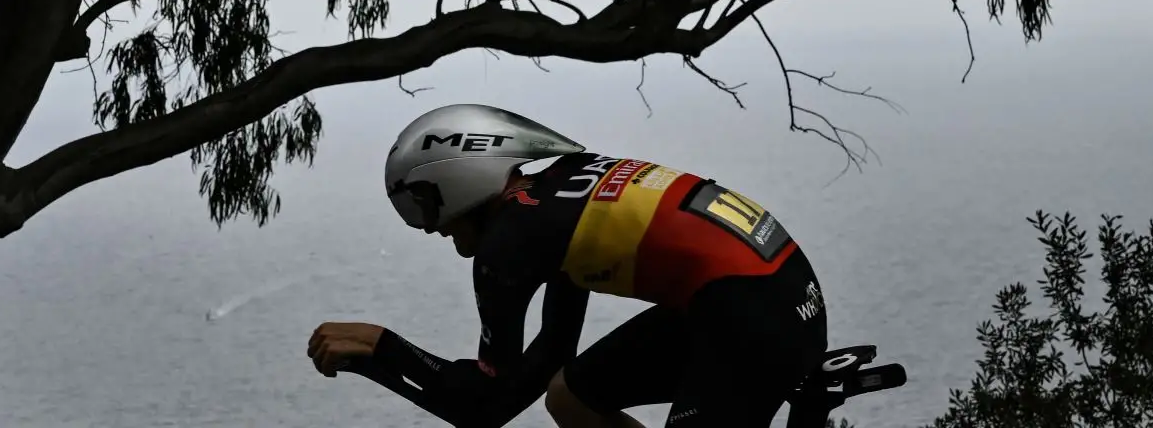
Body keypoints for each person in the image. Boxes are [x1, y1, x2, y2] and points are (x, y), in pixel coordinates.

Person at [306, 104, 829, 428]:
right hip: (773, 294)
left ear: (454, 183)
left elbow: (484, 407)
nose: (430, 228)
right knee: (571, 397)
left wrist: (379, 347)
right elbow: (551, 355)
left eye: (421, 205)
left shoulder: (506, 248)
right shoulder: (558, 192)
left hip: (748, 317)